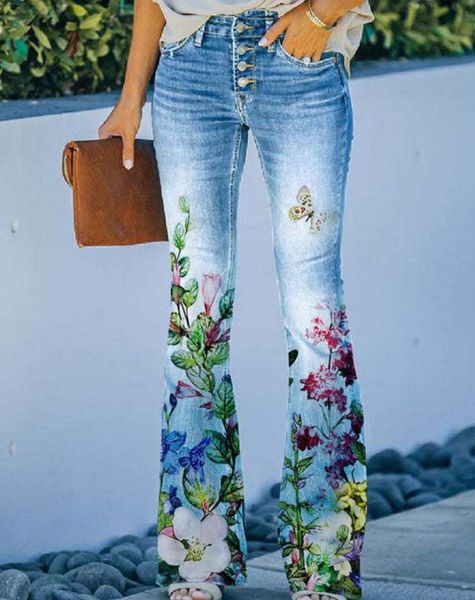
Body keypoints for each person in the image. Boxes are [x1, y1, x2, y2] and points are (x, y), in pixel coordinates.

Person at [99, 1, 374, 599]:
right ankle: (198, 558)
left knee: (314, 313)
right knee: (195, 316)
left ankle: (326, 567)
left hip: (297, 61)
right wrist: (130, 98)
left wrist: (323, 17)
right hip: (188, 68)